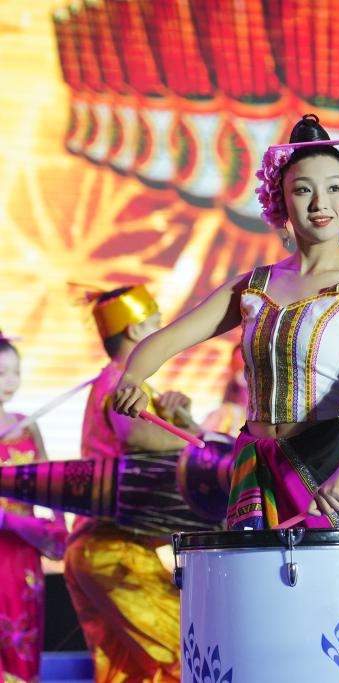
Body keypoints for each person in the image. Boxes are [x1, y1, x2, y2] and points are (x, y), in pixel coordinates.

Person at [111, 113, 339, 533]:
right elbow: (166, 340)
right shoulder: (253, 285)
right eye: (302, 190)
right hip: (255, 465)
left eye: (334, 188)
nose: (319, 203)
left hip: (329, 466)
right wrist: (132, 380)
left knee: (328, 595)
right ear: (282, 200)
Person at [64, 285, 199, 682]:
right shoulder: (122, 382)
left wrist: (181, 420)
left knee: (129, 673)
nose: (164, 331)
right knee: (189, 654)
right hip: (113, 550)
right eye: (157, 323)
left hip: (98, 550)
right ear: (136, 333)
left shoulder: (115, 382)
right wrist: (203, 446)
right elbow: (135, 437)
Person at [0, 332, 67, 683]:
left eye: (15, 372)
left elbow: (49, 483)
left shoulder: (26, 423)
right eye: (1, 373)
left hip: (23, 549)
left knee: (23, 634)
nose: (10, 382)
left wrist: (58, 526)